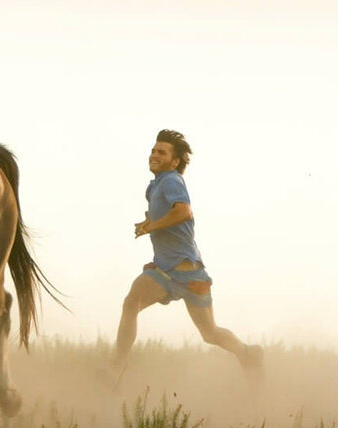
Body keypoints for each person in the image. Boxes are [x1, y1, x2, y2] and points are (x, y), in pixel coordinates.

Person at [104, 129, 262, 383]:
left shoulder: (171, 180)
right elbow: (167, 217)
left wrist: (152, 226)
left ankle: (248, 354)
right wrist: (148, 222)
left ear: (175, 161)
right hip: (165, 272)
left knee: (209, 333)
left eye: (161, 152)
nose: (154, 155)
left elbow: (183, 212)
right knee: (132, 302)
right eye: (153, 150)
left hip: (188, 273)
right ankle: (115, 368)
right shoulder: (154, 186)